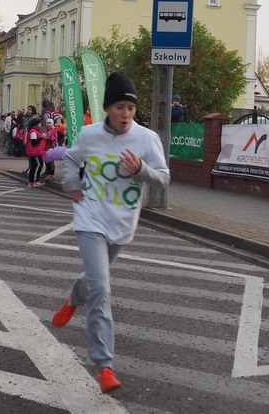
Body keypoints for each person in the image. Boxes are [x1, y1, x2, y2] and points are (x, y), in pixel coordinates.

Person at [51, 71, 170, 394]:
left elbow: (163, 179)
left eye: (130, 108)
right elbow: (72, 158)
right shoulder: (90, 135)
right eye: (119, 107)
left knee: (94, 281)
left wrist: (141, 170)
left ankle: (74, 299)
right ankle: (104, 366)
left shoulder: (147, 139)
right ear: (107, 108)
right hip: (90, 218)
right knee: (101, 287)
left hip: (122, 224)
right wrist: (71, 183)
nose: (126, 114)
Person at [25, 115, 46, 187]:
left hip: (36, 151)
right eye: (39, 123)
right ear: (35, 124)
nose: (40, 124)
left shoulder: (35, 131)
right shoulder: (33, 132)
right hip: (35, 152)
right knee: (38, 165)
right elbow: (34, 143)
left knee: (34, 166)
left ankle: (32, 181)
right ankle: (35, 181)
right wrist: (41, 137)